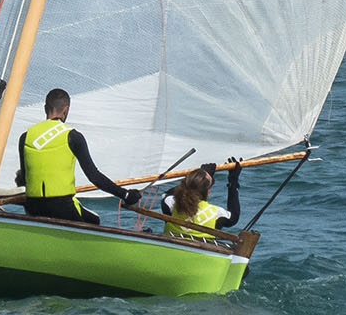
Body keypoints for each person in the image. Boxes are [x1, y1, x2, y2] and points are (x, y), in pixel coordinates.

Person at [15, 87, 141, 224]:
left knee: (87, 216)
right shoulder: (73, 136)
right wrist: (126, 195)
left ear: (45, 108)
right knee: (94, 221)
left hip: (34, 207)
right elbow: (94, 176)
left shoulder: (25, 137)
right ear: (66, 110)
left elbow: (23, 179)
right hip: (62, 207)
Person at [161, 159, 242, 240]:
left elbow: (167, 194)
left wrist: (196, 178)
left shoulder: (171, 203)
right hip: (199, 249)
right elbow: (234, 216)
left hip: (171, 245)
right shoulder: (217, 214)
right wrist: (233, 181)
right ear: (208, 191)